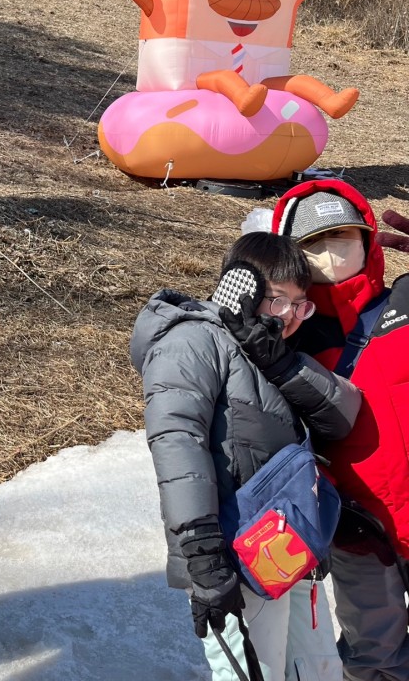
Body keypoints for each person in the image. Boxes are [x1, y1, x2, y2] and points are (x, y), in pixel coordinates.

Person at [130, 231, 361, 681]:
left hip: (288, 544)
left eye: (301, 304)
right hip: (233, 552)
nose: (292, 317)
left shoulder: (268, 349)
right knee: (257, 673)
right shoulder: (192, 340)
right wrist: (201, 550)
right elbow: (177, 440)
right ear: (243, 291)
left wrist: (280, 361)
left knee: (316, 670)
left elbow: (342, 417)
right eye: (279, 300)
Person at [273, 179, 409, 680]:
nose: (331, 253)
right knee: (374, 654)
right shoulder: (285, 332)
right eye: (313, 244)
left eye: (344, 237)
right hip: (357, 530)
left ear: (369, 241)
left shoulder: (407, 300)